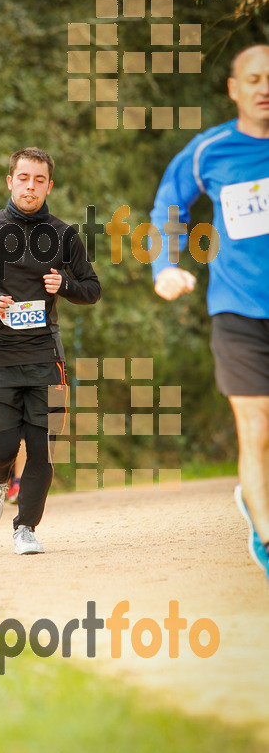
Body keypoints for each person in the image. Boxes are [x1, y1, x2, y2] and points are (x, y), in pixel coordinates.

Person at [150, 44, 269, 581]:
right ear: (234, 88)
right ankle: (268, 536)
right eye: (254, 78)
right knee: (256, 427)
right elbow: (168, 204)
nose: (264, 87)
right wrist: (164, 266)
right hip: (239, 312)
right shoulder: (210, 151)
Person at [0, 147, 101, 554]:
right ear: (10, 181)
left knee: (42, 449)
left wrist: (64, 287)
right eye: (23, 178)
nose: (30, 186)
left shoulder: (64, 235)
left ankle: (25, 529)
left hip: (45, 358)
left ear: (49, 185)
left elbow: (92, 288)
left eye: (39, 180)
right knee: (2, 447)